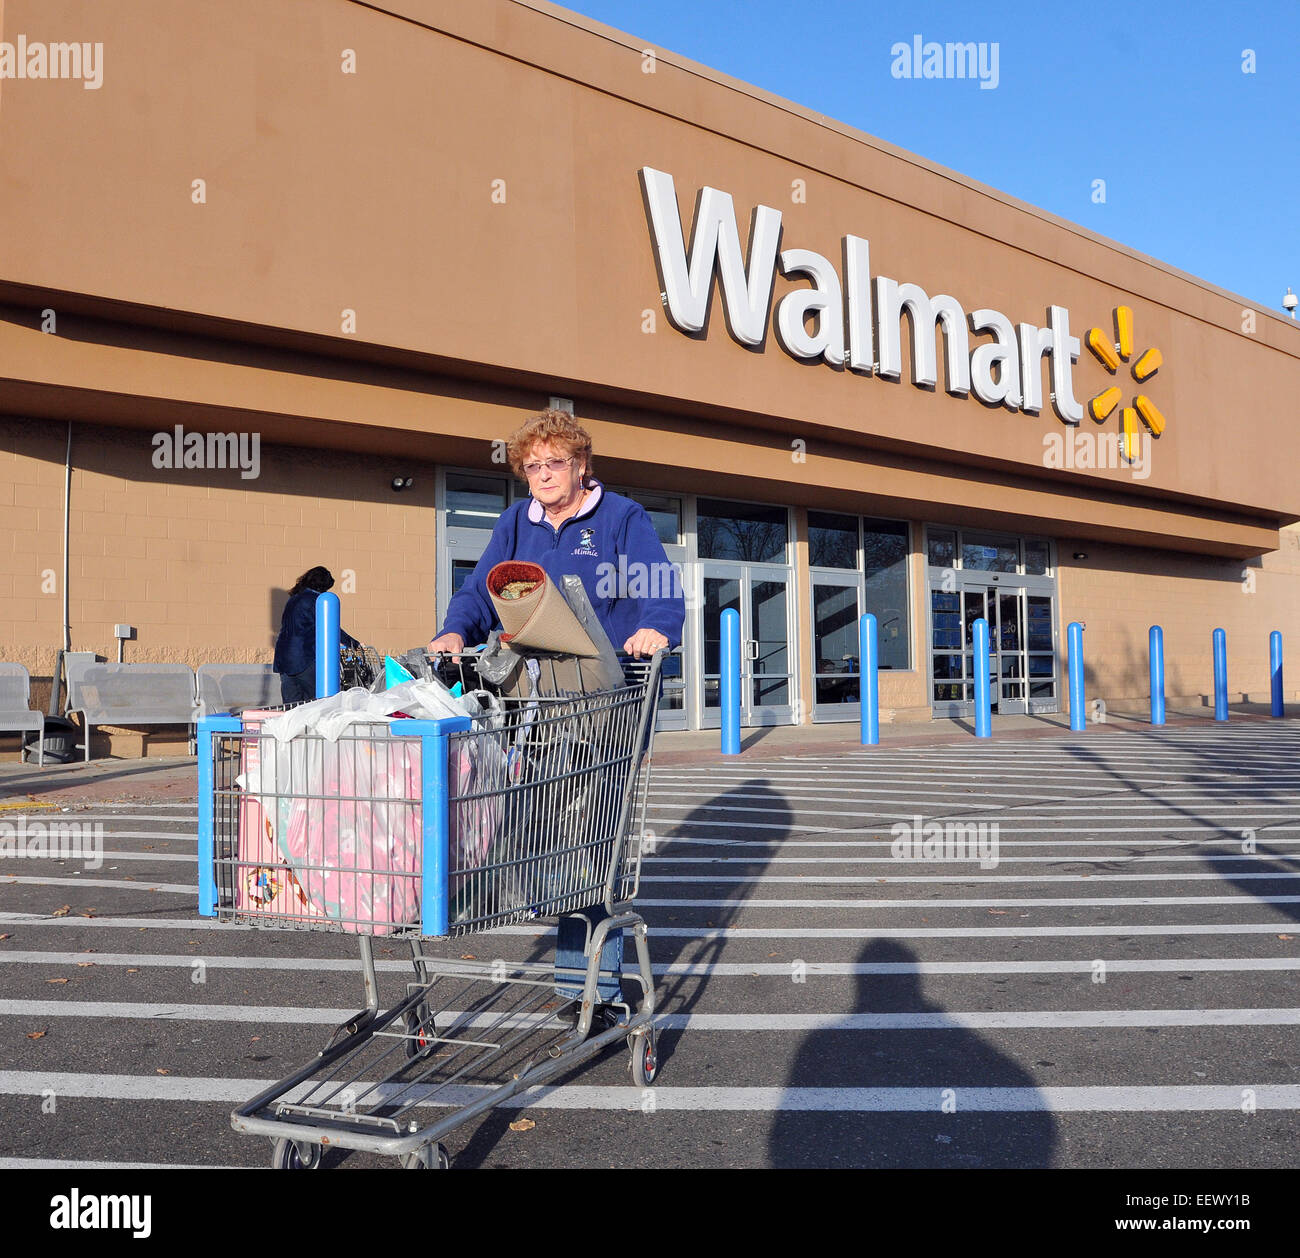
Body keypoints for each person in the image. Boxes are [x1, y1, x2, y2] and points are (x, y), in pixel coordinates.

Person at [428, 409, 685, 1026]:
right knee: (545, 837)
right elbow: (480, 589)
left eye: (555, 463)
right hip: (536, 703)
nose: (543, 474)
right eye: (532, 466)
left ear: (581, 466)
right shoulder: (518, 521)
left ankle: (594, 990)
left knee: (593, 845)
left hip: (605, 700)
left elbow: (659, 583)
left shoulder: (620, 516)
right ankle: (577, 979)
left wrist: (656, 628)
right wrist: (452, 631)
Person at [273, 566, 359, 704]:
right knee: (315, 703)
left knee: (291, 706)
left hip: (283, 660)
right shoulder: (317, 601)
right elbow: (331, 627)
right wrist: (354, 644)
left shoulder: (293, 599)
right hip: (304, 659)